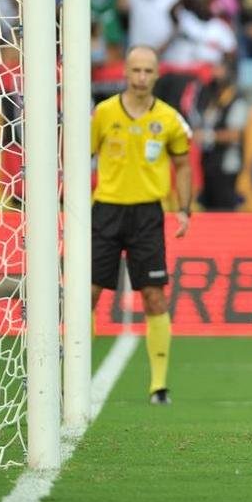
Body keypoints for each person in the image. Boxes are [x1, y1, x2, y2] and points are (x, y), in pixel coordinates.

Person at [90, 45, 193, 405]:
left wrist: (184, 210)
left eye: (148, 71)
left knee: (153, 296)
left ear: (157, 75)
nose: (141, 77)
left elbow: (183, 165)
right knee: (88, 294)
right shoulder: (103, 113)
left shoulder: (168, 118)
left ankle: (159, 386)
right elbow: (77, 156)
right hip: (106, 210)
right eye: (136, 70)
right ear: (125, 72)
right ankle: (74, 376)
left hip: (147, 216)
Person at [194, 56, 248, 210]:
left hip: (227, 164)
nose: (215, 73)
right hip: (208, 161)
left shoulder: (236, 99)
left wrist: (207, 136)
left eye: (219, 68)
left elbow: (235, 134)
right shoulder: (209, 95)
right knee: (208, 206)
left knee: (224, 206)